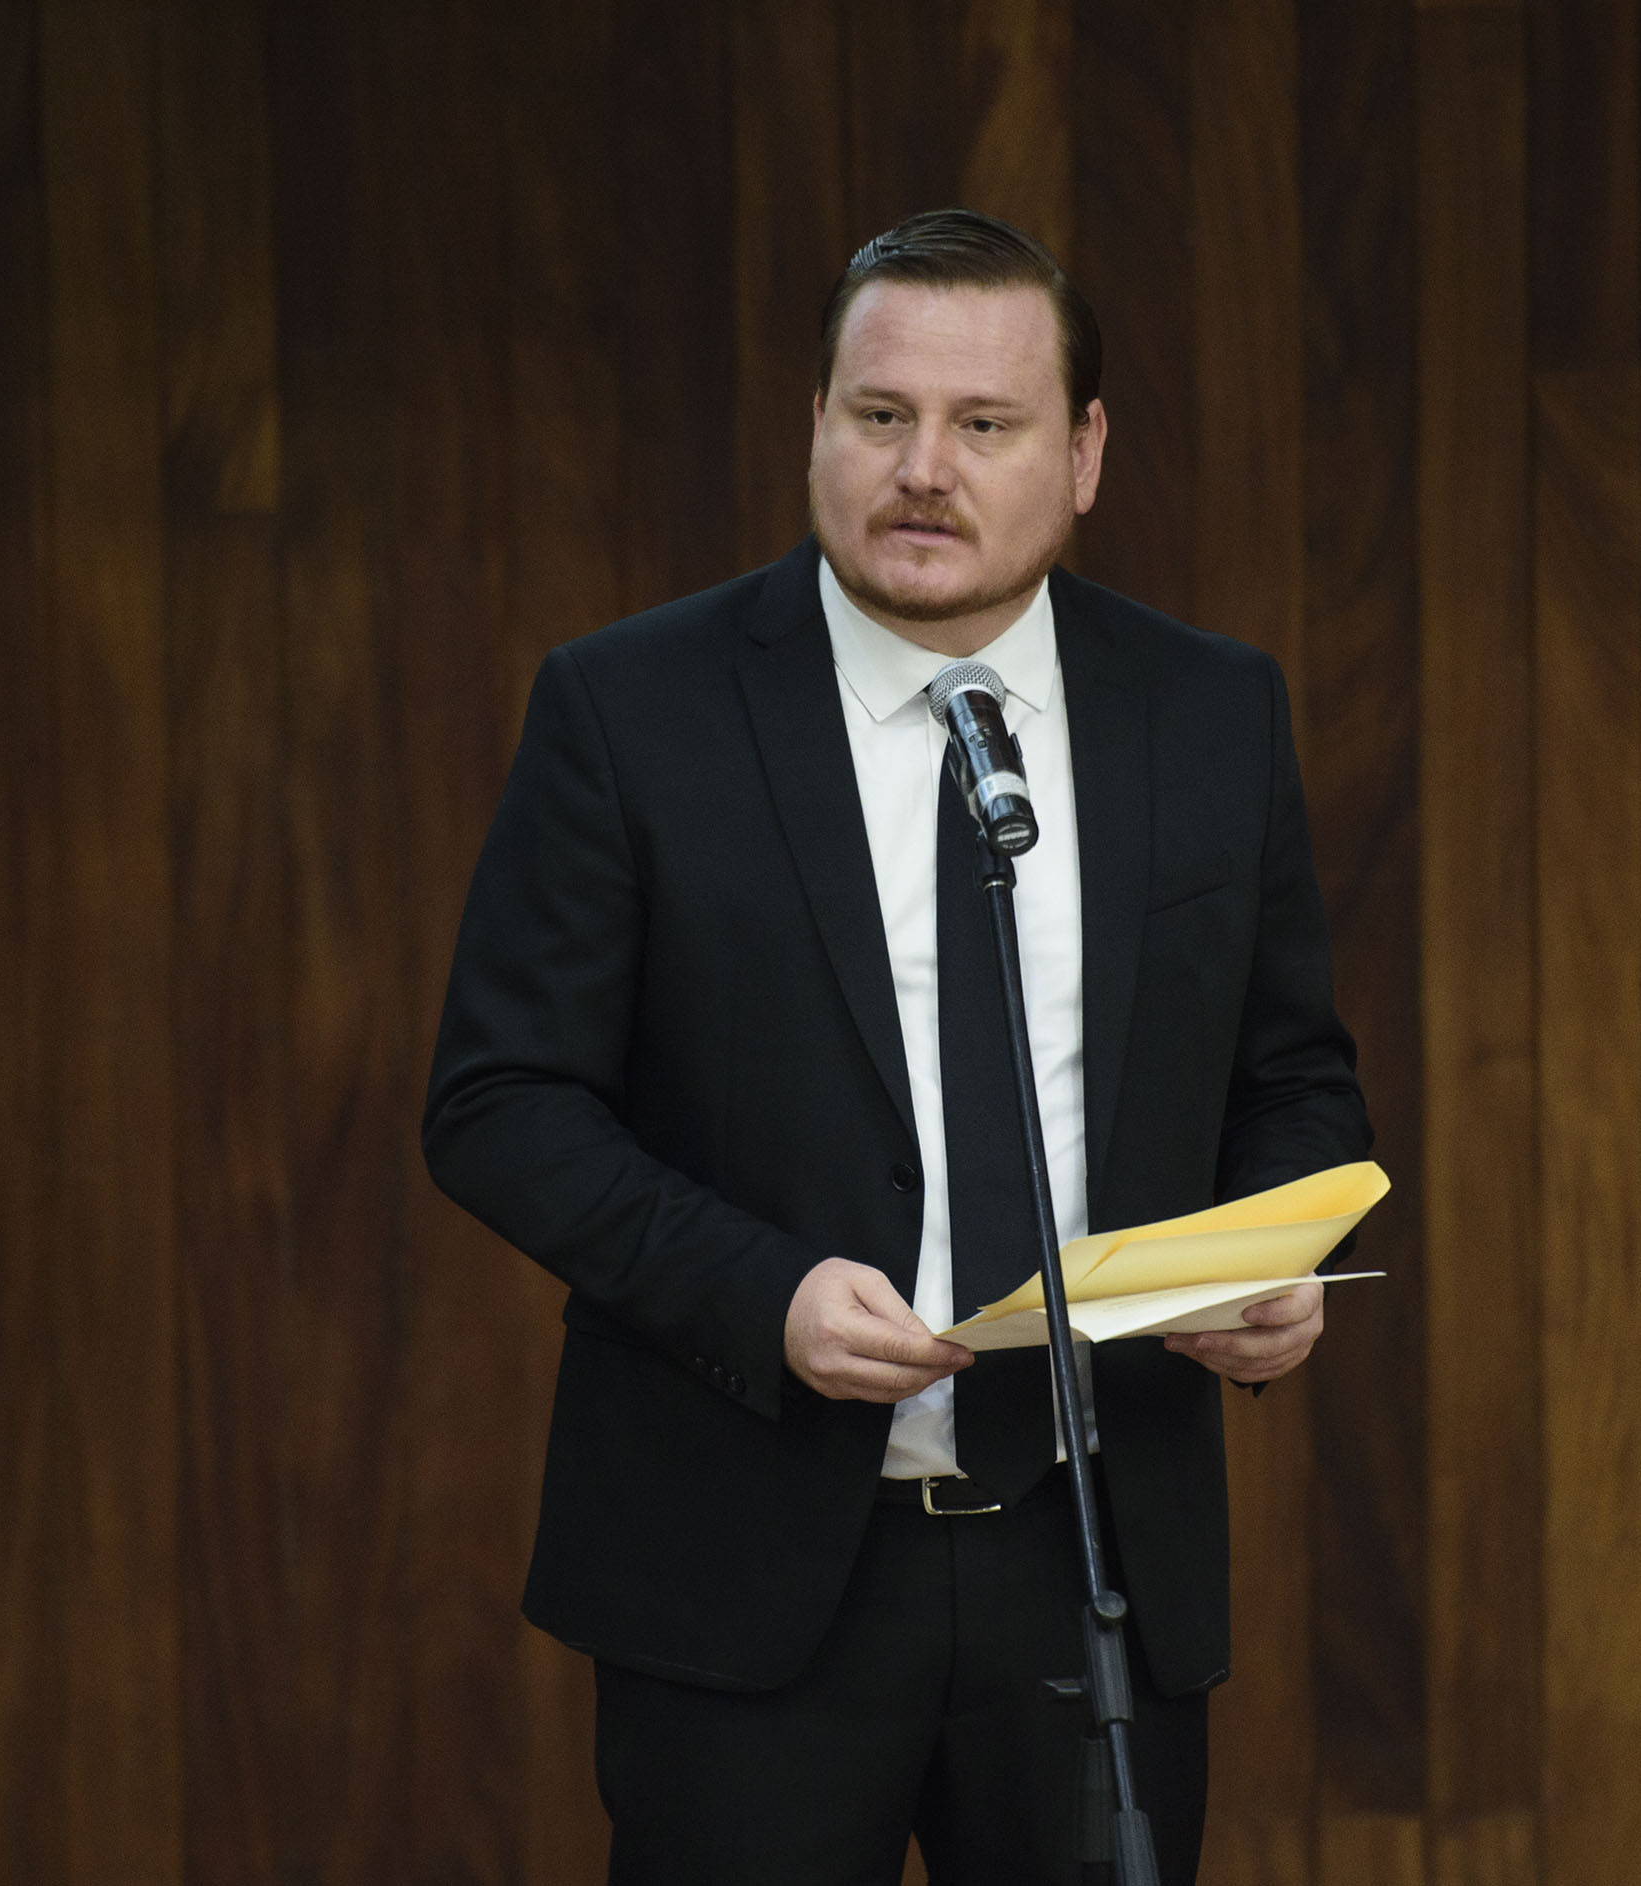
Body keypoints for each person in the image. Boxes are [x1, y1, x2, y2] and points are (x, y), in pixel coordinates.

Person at [423, 208, 1368, 1885]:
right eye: (880, 415)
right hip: (750, 1566)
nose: (923, 468)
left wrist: (1269, 1262)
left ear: (1083, 454)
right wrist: (763, 1295)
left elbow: (1291, 1075)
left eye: (984, 424)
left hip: (1094, 1562)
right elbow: (501, 1101)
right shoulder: (632, 710)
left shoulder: (1208, 710)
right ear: (816, 426)